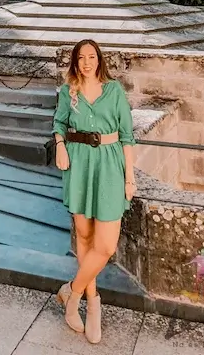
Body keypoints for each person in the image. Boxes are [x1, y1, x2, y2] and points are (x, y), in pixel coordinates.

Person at [52, 39, 136, 344]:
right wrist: (60, 145)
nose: (87, 62)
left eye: (92, 56)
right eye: (81, 57)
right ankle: (93, 305)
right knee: (84, 238)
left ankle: (71, 295)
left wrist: (130, 177)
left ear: (99, 60)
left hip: (110, 166)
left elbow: (127, 135)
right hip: (79, 166)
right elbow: (59, 124)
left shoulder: (114, 91)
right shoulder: (68, 92)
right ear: (75, 62)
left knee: (106, 246)